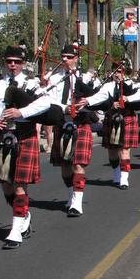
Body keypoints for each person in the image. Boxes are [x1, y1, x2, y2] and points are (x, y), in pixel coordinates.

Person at [0, 45, 53, 249]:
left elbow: (46, 103)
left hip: (25, 134)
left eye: (17, 61)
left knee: (20, 184)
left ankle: (15, 229)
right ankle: (24, 215)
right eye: (9, 61)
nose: (13, 65)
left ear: (23, 64)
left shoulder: (31, 85)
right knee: (6, 183)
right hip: (4, 136)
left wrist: (21, 113)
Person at [46, 44, 96, 216]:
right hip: (62, 123)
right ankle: (71, 193)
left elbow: (97, 96)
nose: (65, 60)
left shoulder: (86, 78)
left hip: (81, 124)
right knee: (65, 166)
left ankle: (77, 202)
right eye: (63, 56)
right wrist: (65, 107)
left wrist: (88, 101)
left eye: (69, 57)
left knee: (79, 165)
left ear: (76, 58)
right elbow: (49, 101)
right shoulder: (54, 79)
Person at [79, 61, 140, 188]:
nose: (117, 74)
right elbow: (99, 97)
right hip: (112, 118)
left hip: (127, 118)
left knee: (124, 149)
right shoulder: (107, 86)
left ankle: (124, 178)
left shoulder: (132, 84)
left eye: (120, 71)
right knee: (112, 151)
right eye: (115, 71)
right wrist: (88, 101)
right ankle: (117, 172)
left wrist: (128, 99)